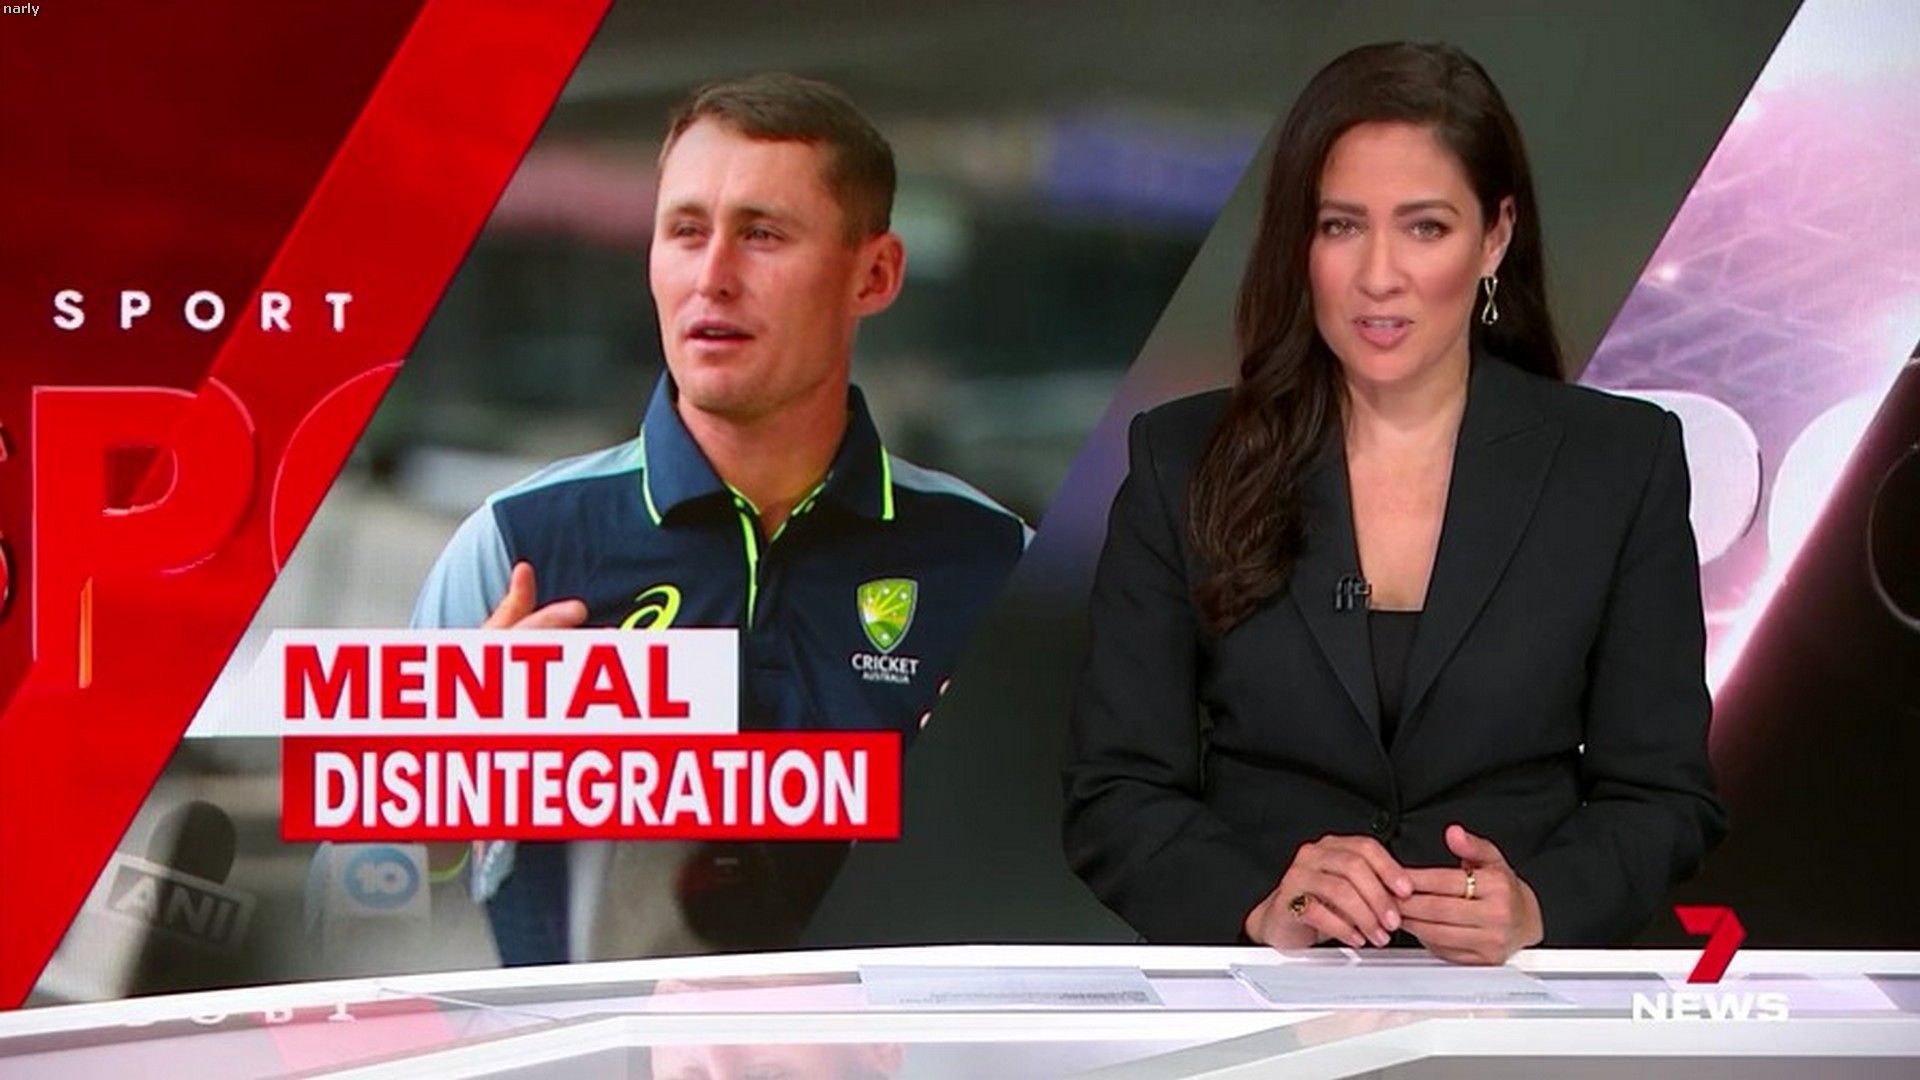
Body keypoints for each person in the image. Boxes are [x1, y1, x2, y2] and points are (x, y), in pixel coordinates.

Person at [1061, 42, 1725, 964]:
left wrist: (1539, 907)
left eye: (1425, 228)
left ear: (1494, 237)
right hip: (1265, 1002)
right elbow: (1116, 791)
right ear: (1301, 242)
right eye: (1341, 226)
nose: (1379, 274)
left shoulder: (1617, 462)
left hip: (1516, 1011)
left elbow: (1663, 796)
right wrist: (1261, 905)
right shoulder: (1182, 458)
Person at [413, 73, 1028, 965]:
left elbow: (1078, 896)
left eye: (762, 235)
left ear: (876, 274)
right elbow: (355, 909)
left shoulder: (996, 565)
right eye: (686, 231)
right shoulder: (515, 548)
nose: (713, 278)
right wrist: (446, 781)